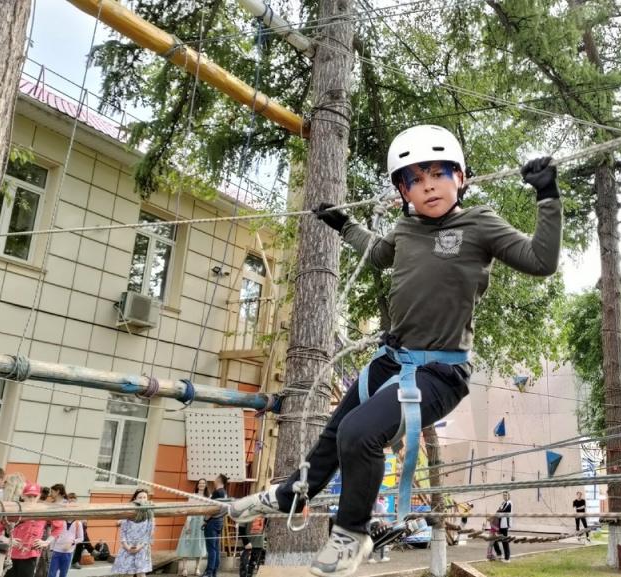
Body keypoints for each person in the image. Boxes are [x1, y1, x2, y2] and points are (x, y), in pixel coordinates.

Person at [229, 124, 563, 577]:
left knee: (359, 434)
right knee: (335, 433)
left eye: (439, 174)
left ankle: (351, 533)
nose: (428, 186)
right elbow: (380, 253)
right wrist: (345, 226)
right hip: (392, 359)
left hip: (440, 373)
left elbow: (540, 261)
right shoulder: (406, 226)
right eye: (415, 179)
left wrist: (547, 198)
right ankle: (291, 494)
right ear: (403, 190)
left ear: (460, 177)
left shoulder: (479, 223)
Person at [5, 483, 51, 577]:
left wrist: (47, 541)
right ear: (23, 496)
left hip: (30, 555)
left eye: (35, 496)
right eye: (29, 496)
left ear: (39, 496)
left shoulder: (44, 512)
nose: (32, 499)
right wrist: (8, 540)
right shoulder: (15, 510)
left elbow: (59, 526)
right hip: (12, 554)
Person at [110, 489, 153, 577]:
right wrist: (127, 547)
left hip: (142, 547)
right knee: (127, 573)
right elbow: (123, 533)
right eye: (140, 497)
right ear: (134, 499)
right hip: (127, 547)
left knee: (141, 573)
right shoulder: (127, 514)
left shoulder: (149, 515)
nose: (142, 499)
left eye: (144, 497)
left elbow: (149, 533)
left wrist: (140, 546)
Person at [176, 479, 209, 577]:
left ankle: (197, 568)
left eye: (203, 483)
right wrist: (188, 524)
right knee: (186, 543)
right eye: (200, 483)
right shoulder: (192, 496)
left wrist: (205, 521)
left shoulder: (209, 497)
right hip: (192, 521)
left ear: (206, 485)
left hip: (202, 523)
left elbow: (209, 511)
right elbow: (189, 510)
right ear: (197, 485)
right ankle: (184, 568)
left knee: (200, 545)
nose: (201, 485)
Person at [202, 475, 228, 577]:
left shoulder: (217, 493)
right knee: (216, 548)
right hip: (220, 521)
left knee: (211, 548)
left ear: (218, 480)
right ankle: (214, 572)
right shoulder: (225, 493)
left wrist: (205, 520)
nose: (214, 480)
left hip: (212, 522)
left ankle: (209, 572)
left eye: (216, 478)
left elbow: (212, 509)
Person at [66, 494, 94, 570]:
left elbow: (84, 520)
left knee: (81, 540)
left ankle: (76, 561)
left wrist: (83, 522)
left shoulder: (79, 508)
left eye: (73, 499)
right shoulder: (65, 507)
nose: (72, 500)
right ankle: (91, 549)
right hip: (69, 530)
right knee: (82, 537)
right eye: (70, 498)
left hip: (79, 530)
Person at [366, 497, 389, 564]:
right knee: (382, 537)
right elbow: (384, 516)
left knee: (370, 539)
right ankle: (382, 557)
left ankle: (371, 558)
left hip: (369, 525)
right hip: (375, 524)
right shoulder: (379, 505)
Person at [491, 492, 512, 563]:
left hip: (504, 525)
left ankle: (507, 558)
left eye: (506, 495)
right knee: (494, 540)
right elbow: (498, 510)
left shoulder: (509, 503)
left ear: (509, 496)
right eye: (503, 495)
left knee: (505, 541)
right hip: (499, 524)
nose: (504, 496)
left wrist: (499, 512)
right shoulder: (503, 503)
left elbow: (504, 511)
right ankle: (499, 554)